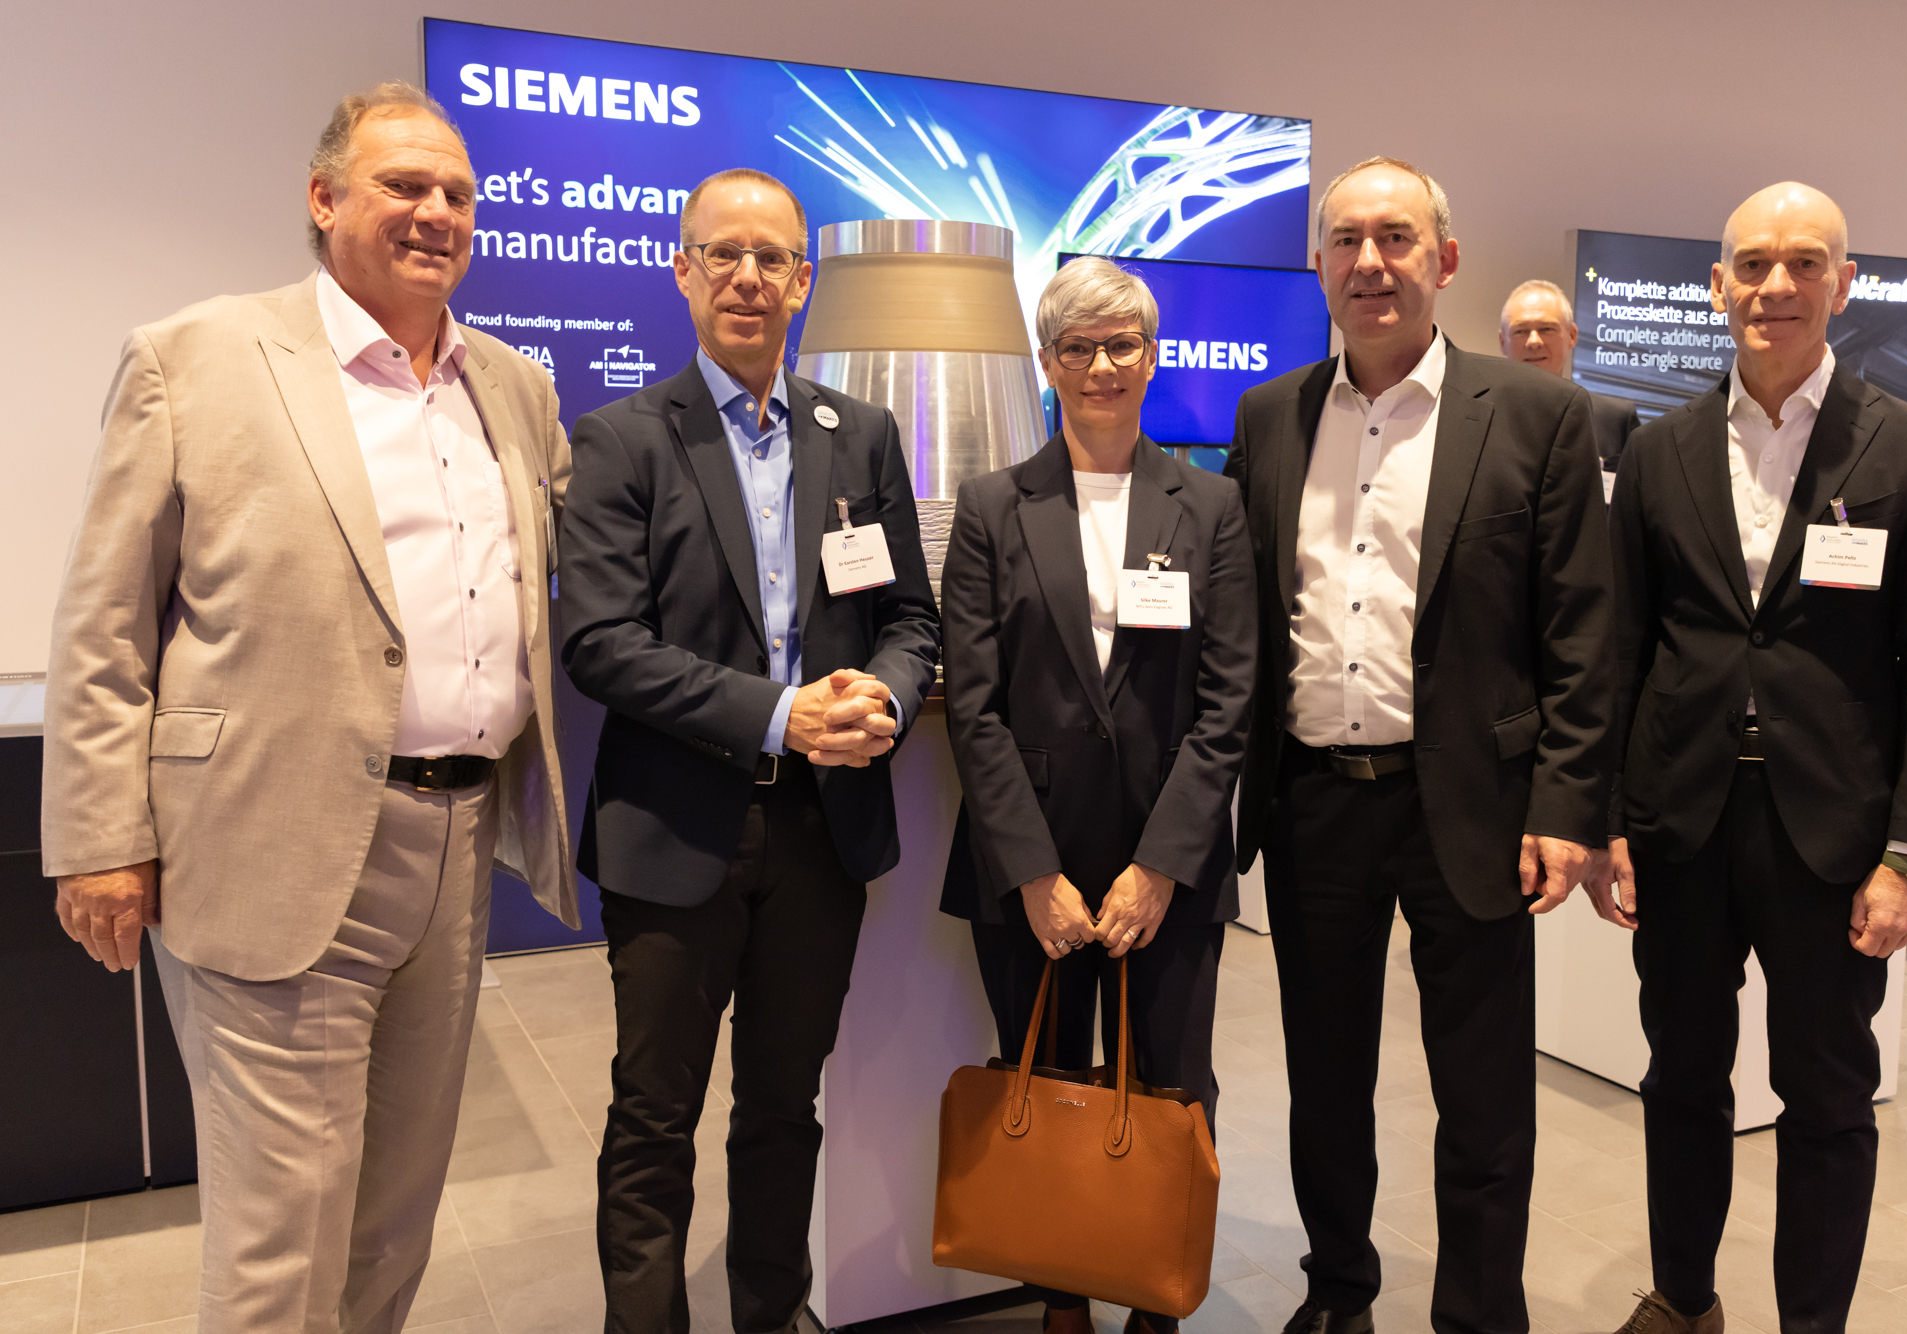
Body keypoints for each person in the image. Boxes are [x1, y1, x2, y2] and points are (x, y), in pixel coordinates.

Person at [41, 81, 574, 1332]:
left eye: (456, 192)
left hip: (454, 844)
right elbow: (106, 617)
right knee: (283, 1241)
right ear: (325, 197)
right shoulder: (197, 355)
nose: (435, 211)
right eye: (403, 185)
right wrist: (102, 837)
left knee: (393, 1217)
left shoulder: (512, 385)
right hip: (270, 835)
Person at [1226, 157, 1616, 1334]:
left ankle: (1479, 1311)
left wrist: (1565, 805)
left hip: (1475, 804)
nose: (1368, 262)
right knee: (1325, 1079)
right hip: (1313, 803)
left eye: (1394, 237)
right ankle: (1338, 1288)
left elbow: (1580, 632)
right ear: (1317, 265)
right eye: (1345, 240)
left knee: (1484, 1092)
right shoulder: (1269, 413)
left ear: (1443, 260)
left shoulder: (1538, 415)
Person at [559, 168, 941, 1334]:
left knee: (784, 1105)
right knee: (652, 1116)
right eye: (721, 254)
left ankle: (771, 1313)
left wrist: (879, 692)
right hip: (675, 831)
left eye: (771, 257)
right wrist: (782, 715)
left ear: (802, 283)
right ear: (680, 271)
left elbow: (910, 619)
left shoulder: (858, 435)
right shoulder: (622, 437)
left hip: (822, 835)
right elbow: (600, 643)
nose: (746, 276)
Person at [1597, 182, 1907, 1334]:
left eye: (1802, 262)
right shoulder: (1655, 448)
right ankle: (1681, 1299)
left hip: (1834, 835)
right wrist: (1611, 811)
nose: (1775, 285)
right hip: (1680, 821)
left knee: (1823, 1093)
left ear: (1842, 284)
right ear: (1715, 287)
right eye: (1751, 264)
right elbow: (1623, 645)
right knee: (1679, 1078)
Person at [941, 257, 1256, 1334]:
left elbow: (1228, 700)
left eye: (1121, 342)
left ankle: (1153, 1299)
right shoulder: (992, 506)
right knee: (1051, 1084)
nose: (1100, 364)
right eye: (1076, 346)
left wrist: (1158, 866)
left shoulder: (1209, 505)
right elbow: (973, 705)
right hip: (1027, 859)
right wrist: (1031, 871)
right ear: (1046, 364)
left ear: (1151, 355)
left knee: (1171, 1083)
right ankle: (1060, 1296)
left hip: (1164, 859)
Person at [1498, 277, 1643, 472]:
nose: (1533, 341)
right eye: (1520, 331)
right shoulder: (1478, 416)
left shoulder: (1615, 420)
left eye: (1546, 329)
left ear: (1572, 336)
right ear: (1502, 342)